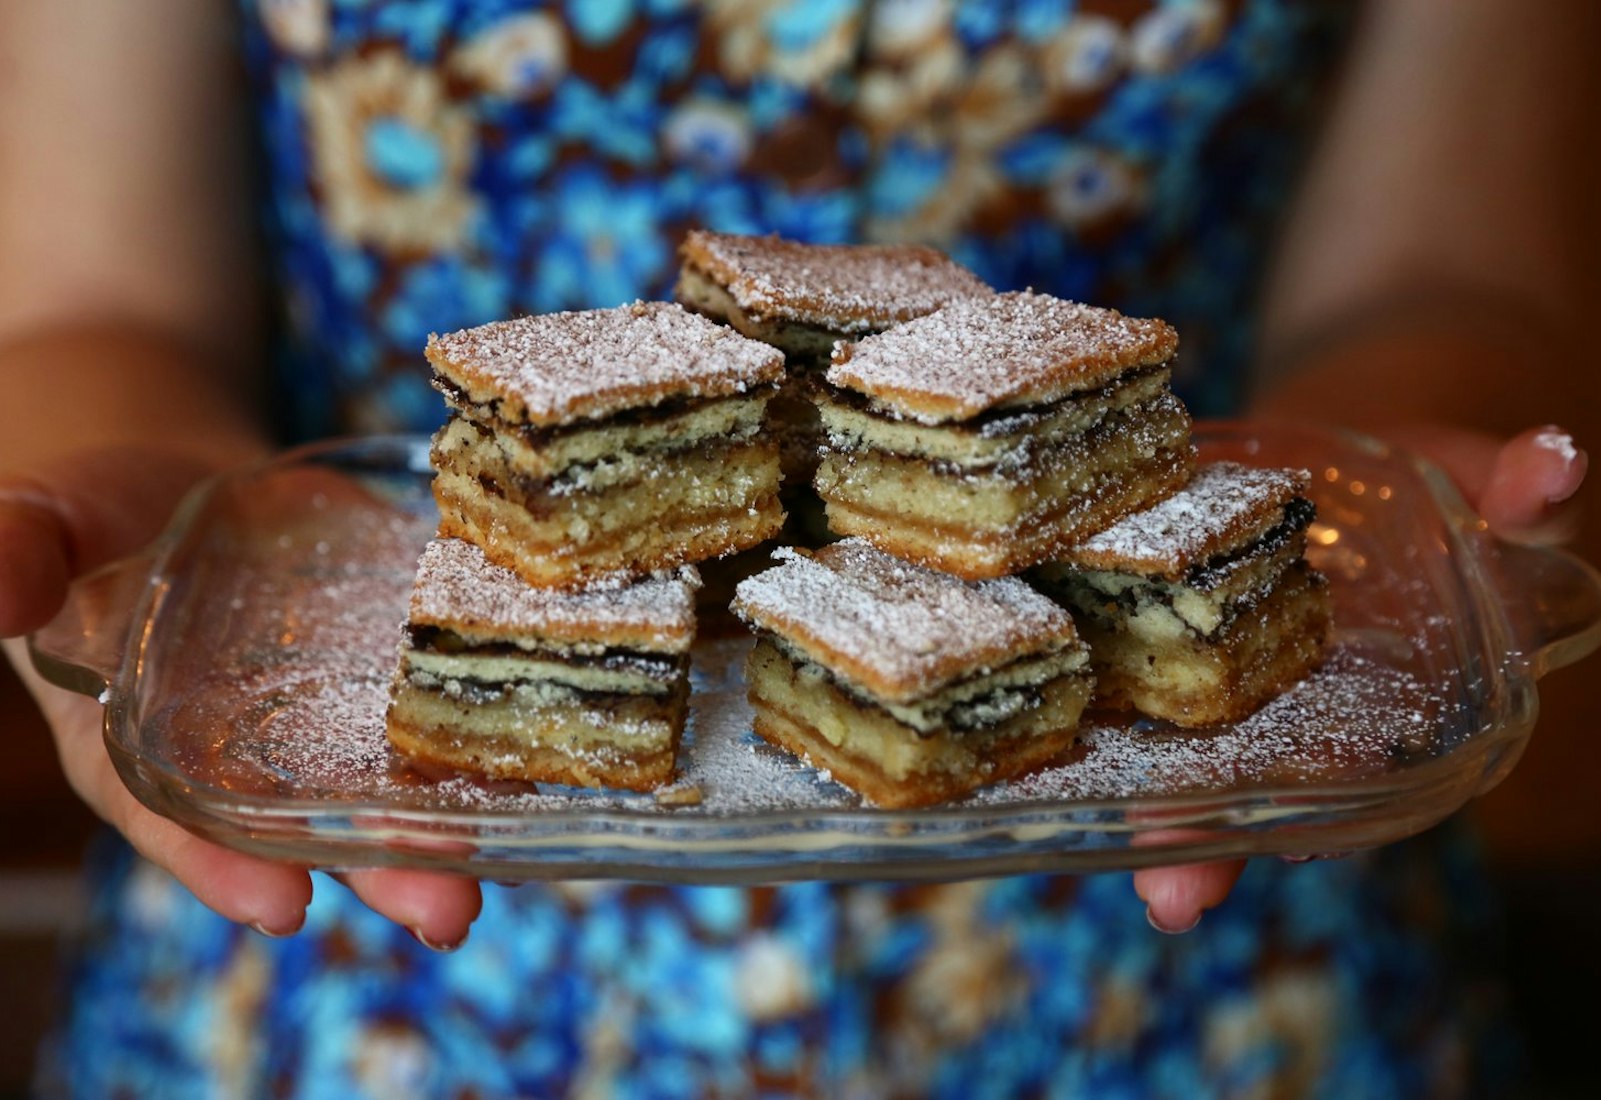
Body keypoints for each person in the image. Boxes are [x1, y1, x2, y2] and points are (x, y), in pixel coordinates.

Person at [1, 0, 1595, 1094]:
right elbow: (96, 298)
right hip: (366, 999)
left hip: (1215, 986)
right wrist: (157, 516)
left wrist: (1383, 479)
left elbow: (1446, 274)